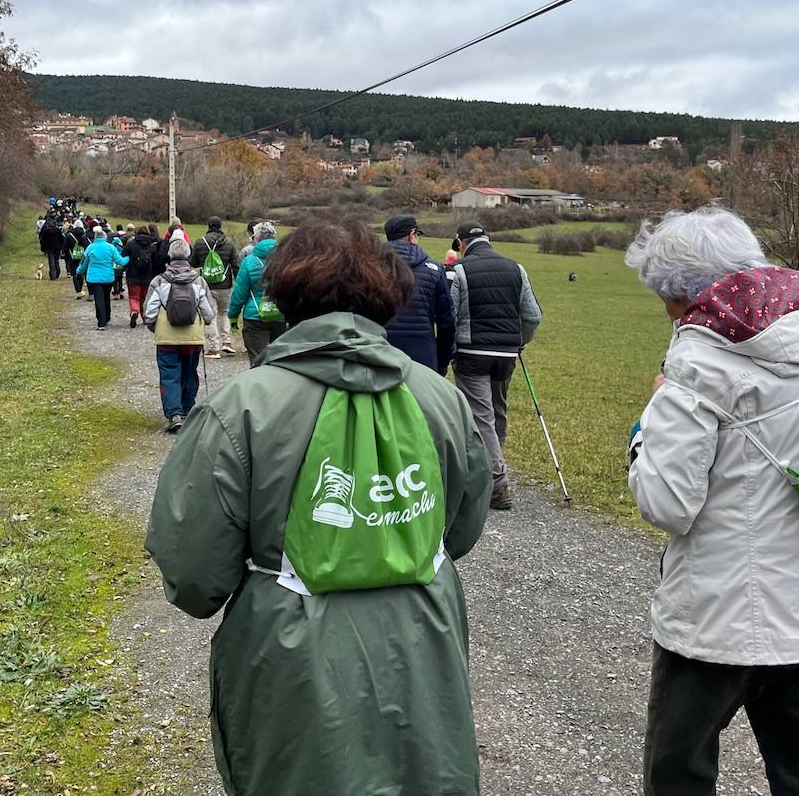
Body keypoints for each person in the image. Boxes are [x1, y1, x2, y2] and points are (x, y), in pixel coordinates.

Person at [146, 222, 492, 796]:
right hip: (421, 644)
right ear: (389, 295)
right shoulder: (441, 397)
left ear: (285, 295)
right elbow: (459, 529)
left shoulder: (240, 408)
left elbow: (194, 576)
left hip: (292, 658)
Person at [623, 206, 799, 796]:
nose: (666, 313)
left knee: (680, 769)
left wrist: (645, 431)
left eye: (665, 298)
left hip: (722, 618)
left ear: (685, 293)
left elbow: (667, 502)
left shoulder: (696, 362)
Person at [448, 220, 542, 511]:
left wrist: (450, 348)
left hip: (472, 352)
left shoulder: (459, 270)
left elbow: (450, 315)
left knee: (481, 416)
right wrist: (520, 341)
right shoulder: (517, 268)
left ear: (460, 243)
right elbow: (532, 316)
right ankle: (493, 468)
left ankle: (497, 484)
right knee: (497, 412)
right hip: (506, 354)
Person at [143, 239, 215, 433]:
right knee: (189, 373)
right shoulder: (199, 280)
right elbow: (208, 313)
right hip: (192, 337)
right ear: (188, 255)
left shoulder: (159, 280)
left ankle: (174, 415)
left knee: (169, 374)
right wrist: (205, 323)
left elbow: (149, 312)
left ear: (170, 256)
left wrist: (154, 327)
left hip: (167, 337)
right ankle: (188, 411)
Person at [382, 215, 455, 374]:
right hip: (423, 356)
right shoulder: (434, 269)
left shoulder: (369, 267)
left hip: (379, 352)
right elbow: (447, 323)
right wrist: (442, 363)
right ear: (412, 235)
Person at [228, 220, 284, 366]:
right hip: (281, 314)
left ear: (256, 238)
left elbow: (239, 293)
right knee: (280, 361)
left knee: (258, 362)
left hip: (255, 316)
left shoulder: (249, 261)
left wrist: (233, 316)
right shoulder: (286, 260)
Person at [190, 216, 241, 359]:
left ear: (208, 226)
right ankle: (227, 342)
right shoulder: (230, 244)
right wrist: (238, 283)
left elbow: (193, 263)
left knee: (210, 315)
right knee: (224, 313)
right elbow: (236, 265)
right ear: (220, 226)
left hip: (207, 285)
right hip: (225, 284)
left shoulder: (200, 243)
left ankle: (214, 348)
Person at [75, 226, 130, 330]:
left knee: (98, 299)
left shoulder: (90, 247)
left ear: (95, 237)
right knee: (106, 297)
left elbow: (84, 263)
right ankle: (107, 316)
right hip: (108, 277)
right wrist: (129, 257)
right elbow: (121, 261)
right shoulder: (110, 247)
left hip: (94, 278)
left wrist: (78, 272)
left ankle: (101, 322)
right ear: (105, 237)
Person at [124, 224, 158, 327]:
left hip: (133, 276)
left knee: (134, 297)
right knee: (144, 298)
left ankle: (134, 311)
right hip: (147, 276)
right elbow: (156, 261)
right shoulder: (152, 245)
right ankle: (144, 316)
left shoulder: (131, 244)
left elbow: (124, 257)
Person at [38, 213, 63, 280]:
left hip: (49, 248)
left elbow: (43, 241)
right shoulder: (58, 231)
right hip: (57, 248)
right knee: (56, 261)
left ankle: (53, 275)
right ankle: (57, 272)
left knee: (51, 262)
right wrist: (61, 247)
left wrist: (43, 248)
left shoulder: (46, 232)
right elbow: (62, 239)